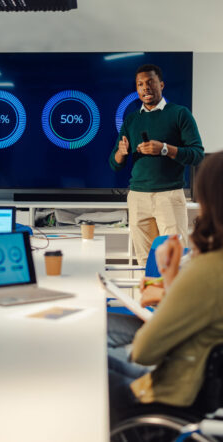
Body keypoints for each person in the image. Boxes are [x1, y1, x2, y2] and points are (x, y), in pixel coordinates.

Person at [108, 151, 223, 424]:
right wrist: (171, 279)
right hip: (195, 387)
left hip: (171, 393)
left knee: (85, 367)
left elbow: (143, 352)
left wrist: (170, 286)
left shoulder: (207, 269)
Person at [109, 64, 204, 265]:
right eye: (140, 84)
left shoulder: (180, 113)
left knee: (175, 261)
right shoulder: (132, 120)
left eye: (150, 82)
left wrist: (164, 148)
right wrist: (120, 152)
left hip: (169, 196)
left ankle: (174, 297)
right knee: (146, 263)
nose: (145, 88)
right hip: (137, 198)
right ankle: (151, 296)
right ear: (137, 89)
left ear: (161, 84)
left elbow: (197, 155)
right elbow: (114, 164)